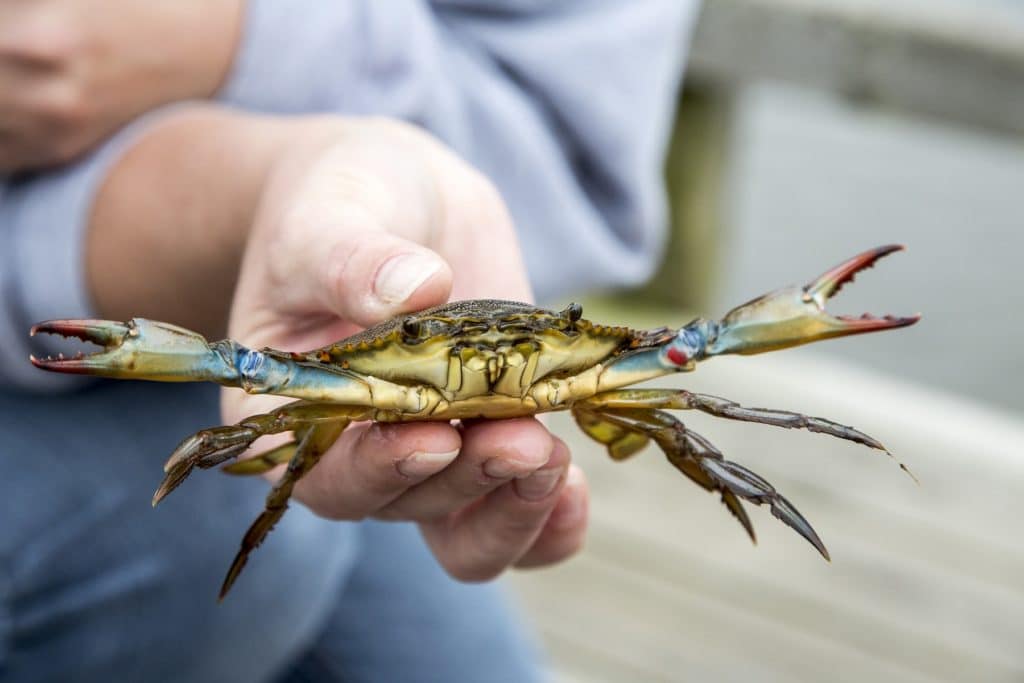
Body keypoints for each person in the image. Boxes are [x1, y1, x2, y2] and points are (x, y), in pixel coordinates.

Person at [0, 2, 699, 681]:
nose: (486, 361)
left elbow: (575, 148)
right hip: (126, 305)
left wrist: (243, 50)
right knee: (232, 523)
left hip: (248, 241)